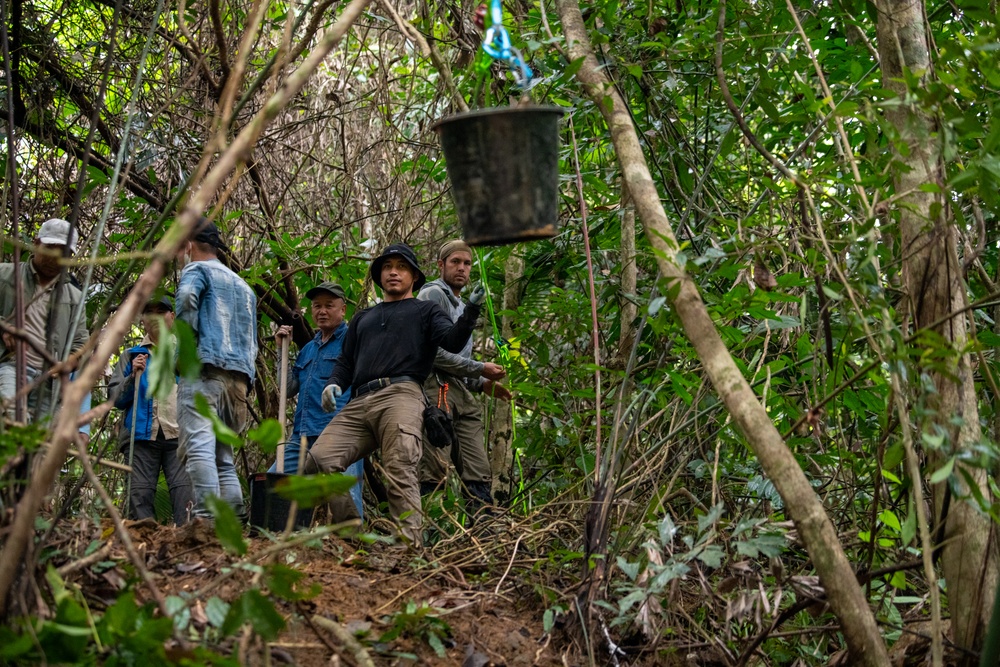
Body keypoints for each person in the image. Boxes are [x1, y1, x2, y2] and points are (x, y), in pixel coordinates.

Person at [302, 242, 485, 545]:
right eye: (387, 267)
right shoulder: (363, 318)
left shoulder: (426, 310)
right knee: (320, 459)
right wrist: (333, 384)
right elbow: (346, 362)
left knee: (400, 466)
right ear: (379, 275)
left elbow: (452, 342)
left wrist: (471, 311)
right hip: (359, 400)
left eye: (401, 267)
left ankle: (408, 549)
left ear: (414, 276)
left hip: (402, 394)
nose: (393, 273)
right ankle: (350, 538)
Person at [416, 240, 512, 517]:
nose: (461, 268)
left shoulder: (461, 304)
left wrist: (482, 384)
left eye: (467, 263)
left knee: (477, 469)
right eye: (455, 262)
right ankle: (427, 537)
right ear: (440, 265)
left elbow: (459, 361)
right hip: (436, 388)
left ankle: (481, 535)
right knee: (434, 468)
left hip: (461, 391)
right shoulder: (433, 293)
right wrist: (479, 368)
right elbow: (431, 353)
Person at [175, 219, 258, 520]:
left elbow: (186, 298)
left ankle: (206, 521)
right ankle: (234, 520)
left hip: (205, 370)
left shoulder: (196, 270)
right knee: (223, 456)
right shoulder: (243, 285)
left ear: (188, 245)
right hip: (239, 379)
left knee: (199, 447)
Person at [269, 282, 363, 517]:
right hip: (302, 436)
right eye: (317, 306)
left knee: (346, 497)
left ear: (342, 310)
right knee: (274, 484)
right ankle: (280, 543)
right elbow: (289, 389)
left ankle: (354, 549)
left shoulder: (353, 341)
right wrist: (282, 351)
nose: (322, 311)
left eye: (329, 306)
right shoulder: (308, 349)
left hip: (338, 433)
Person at [0, 218, 91, 442]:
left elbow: (81, 343)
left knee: (36, 447)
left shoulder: (74, 297)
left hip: (48, 381)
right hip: (11, 365)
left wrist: (68, 362)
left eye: (64, 252)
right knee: (13, 422)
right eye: (50, 248)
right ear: (36, 243)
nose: (55, 258)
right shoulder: (4, 275)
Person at [108, 296, 194, 525]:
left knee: (186, 498)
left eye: (161, 311)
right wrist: (130, 377)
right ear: (142, 320)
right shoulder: (131, 355)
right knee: (139, 497)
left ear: (172, 317)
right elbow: (115, 400)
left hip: (181, 435)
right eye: (149, 313)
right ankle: (141, 551)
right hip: (141, 436)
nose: (155, 317)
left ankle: (186, 550)